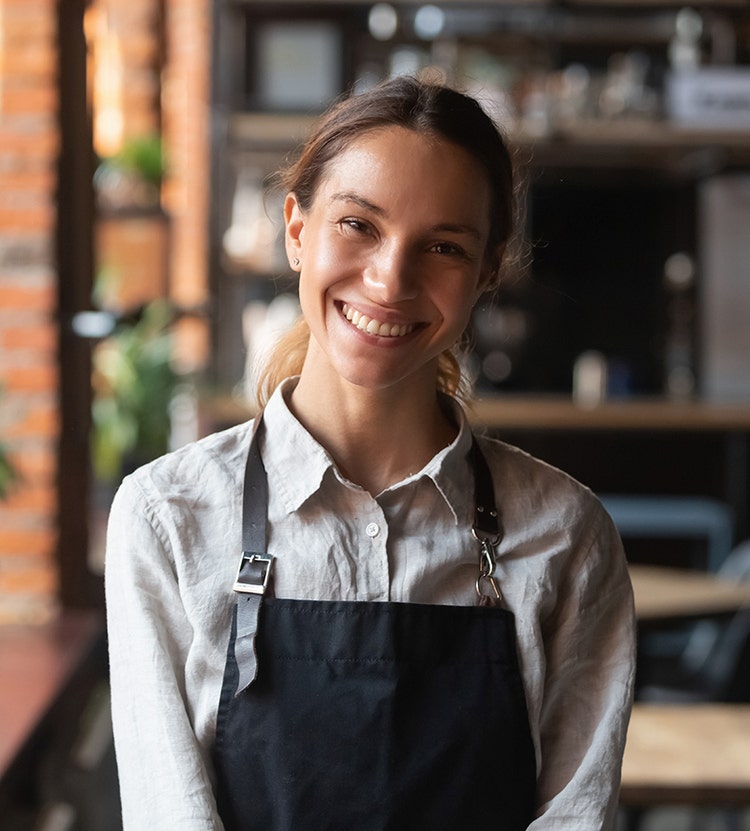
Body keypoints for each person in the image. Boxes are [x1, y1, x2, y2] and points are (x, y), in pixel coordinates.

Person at [106, 76, 635, 830]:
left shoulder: (567, 534)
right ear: (296, 230)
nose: (391, 279)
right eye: (359, 224)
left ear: (486, 272)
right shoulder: (167, 518)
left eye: (444, 246)